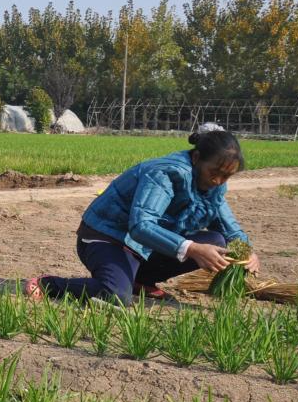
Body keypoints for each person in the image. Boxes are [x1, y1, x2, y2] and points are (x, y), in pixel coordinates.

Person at [27, 128, 258, 305]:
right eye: (214, 173)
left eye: (226, 176)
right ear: (197, 158)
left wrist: (247, 252)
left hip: (142, 249)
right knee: (115, 295)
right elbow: (141, 226)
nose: (218, 181)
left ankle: (141, 280)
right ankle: (49, 284)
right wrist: (193, 249)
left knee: (216, 242)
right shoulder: (166, 173)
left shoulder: (214, 187)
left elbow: (230, 229)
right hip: (108, 237)